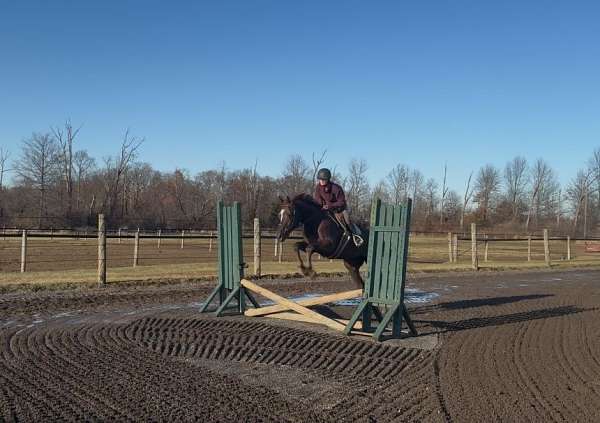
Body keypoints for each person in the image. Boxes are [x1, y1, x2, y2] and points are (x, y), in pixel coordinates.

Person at [313, 168, 361, 242]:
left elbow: (341, 202)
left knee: (347, 220)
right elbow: (317, 200)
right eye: (320, 179)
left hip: (339, 210)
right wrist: (320, 206)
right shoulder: (318, 188)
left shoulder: (336, 188)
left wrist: (330, 206)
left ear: (328, 179)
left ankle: (355, 236)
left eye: (323, 179)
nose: (321, 181)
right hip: (326, 210)